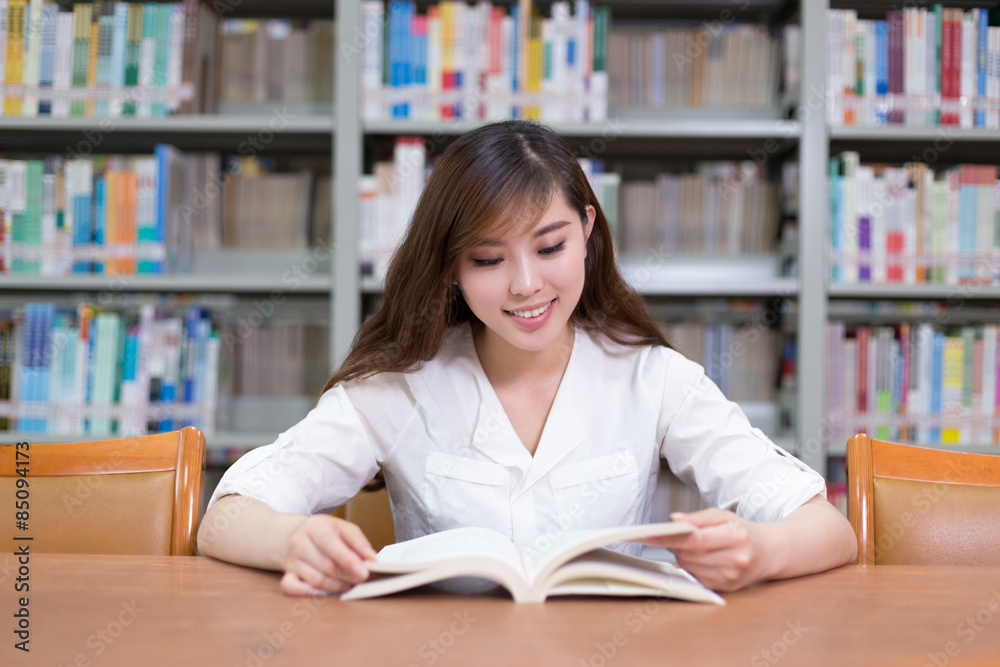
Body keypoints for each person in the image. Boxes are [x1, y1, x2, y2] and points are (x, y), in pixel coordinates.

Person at [198, 120, 857, 596]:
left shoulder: (654, 378)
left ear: (588, 234)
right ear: (451, 267)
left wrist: (759, 550)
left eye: (550, 247)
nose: (526, 285)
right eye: (488, 259)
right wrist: (293, 540)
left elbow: (829, 530)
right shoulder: (398, 386)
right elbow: (226, 516)